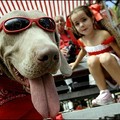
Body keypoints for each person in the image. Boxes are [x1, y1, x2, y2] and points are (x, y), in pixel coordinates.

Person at [69, 5, 120, 106]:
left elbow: (117, 50)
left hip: (114, 65)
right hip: (102, 72)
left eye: (84, 20)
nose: (82, 25)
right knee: (91, 59)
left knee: (105, 57)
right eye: (77, 24)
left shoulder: (103, 34)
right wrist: (75, 63)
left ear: (92, 19)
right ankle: (104, 93)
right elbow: (83, 51)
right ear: (74, 27)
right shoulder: (82, 40)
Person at [54, 15, 81, 91]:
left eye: (61, 21)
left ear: (65, 23)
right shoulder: (52, 35)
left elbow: (80, 45)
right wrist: (59, 51)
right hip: (61, 60)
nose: (60, 23)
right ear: (54, 24)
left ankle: (78, 84)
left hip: (75, 57)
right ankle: (68, 85)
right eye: (57, 21)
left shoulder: (71, 32)